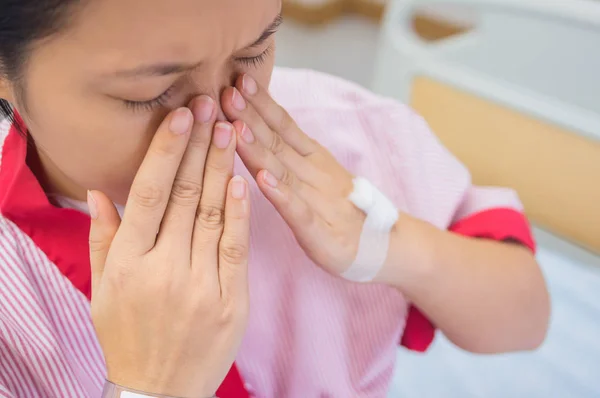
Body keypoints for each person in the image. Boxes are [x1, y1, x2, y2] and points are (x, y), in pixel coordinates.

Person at [0, 0, 550, 397]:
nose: (218, 112)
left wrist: (387, 243)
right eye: (149, 94)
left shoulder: (336, 133)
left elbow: (526, 317)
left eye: (254, 53)